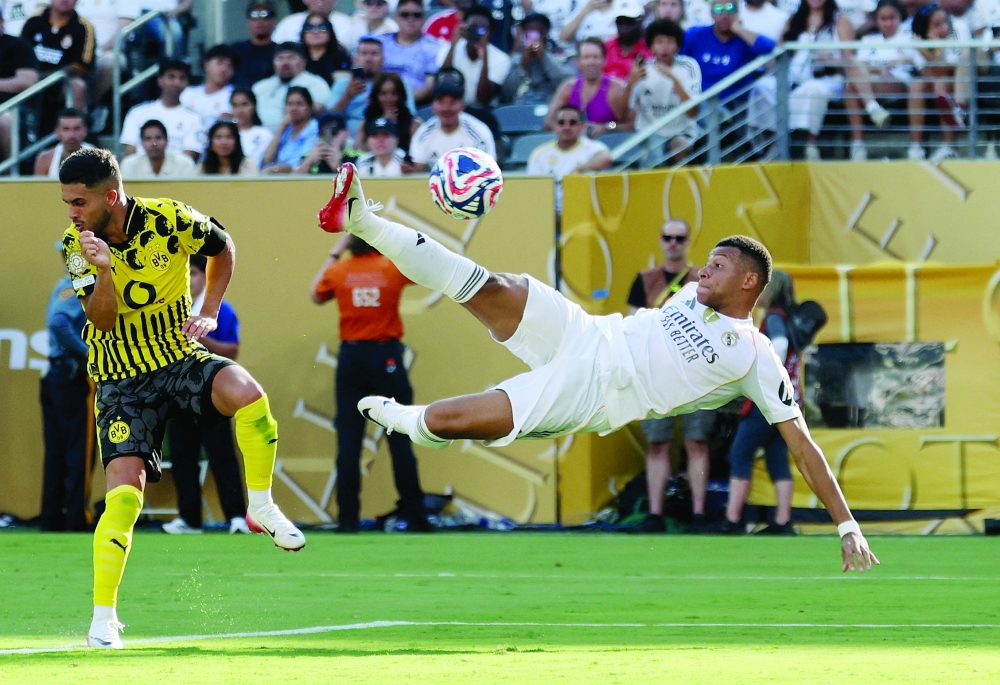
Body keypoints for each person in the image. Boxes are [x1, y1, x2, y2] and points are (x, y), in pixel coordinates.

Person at [319, 164, 880, 573]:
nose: (703, 271)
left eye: (719, 265)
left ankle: (420, 426)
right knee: (491, 284)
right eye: (706, 262)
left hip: (599, 392)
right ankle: (363, 219)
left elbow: (803, 446)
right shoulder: (688, 295)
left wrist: (846, 523)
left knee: (449, 417)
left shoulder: (755, 355)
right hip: (588, 331)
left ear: (750, 283)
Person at [60, 148, 305, 649]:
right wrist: (103, 269)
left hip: (177, 356)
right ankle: (103, 619)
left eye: (79, 202)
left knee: (249, 394)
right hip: (121, 377)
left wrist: (209, 309)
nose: (72, 213)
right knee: (125, 497)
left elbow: (223, 247)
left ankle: (261, 507)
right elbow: (102, 321)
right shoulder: (73, 244)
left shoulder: (170, 218)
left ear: (111, 195)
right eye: (66, 203)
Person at [311, 234, 430, 533]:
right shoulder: (390, 266)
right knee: (401, 435)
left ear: (351, 243)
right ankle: (415, 516)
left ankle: (348, 521)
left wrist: (335, 251)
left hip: (352, 358)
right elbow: (423, 269)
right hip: (386, 357)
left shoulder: (338, 271)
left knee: (349, 442)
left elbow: (315, 294)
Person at [624, 219, 715, 533]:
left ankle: (700, 514)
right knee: (658, 444)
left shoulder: (702, 279)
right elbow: (632, 326)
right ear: (661, 241)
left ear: (688, 241)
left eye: (679, 238)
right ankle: (655, 513)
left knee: (697, 442)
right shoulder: (644, 280)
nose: (673, 243)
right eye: (668, 237)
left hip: (696, 372)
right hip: (656, 372)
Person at [161, 255, 251, 536]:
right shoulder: (167, 309)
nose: (190, 279)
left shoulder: (220, 311)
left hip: (212, 394)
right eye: (185, 274)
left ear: (207, 277)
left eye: (196, 273)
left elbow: (232, 350)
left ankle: (237, 517)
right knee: (181, 455)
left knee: (222, 455)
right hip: (178, 394)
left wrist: (201, 337)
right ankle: (190, 519)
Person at [722, 270, 800, 536]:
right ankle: (783, 521)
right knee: (777, 457)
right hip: (785, 403)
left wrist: (765, 370)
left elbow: (779, 345)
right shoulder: (788, 318)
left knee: (740, 454)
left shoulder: (774, 319)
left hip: (765, 401)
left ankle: (733, 520)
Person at [39, 244, 92, 532]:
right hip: (72, 377)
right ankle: (75, 517)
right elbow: (59, 323)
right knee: (78, 450)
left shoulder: (63, 286)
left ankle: (51, 516)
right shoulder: (78, 286)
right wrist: (87, 353)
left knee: (57, 450)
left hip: (54, 375)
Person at [624, 18, 701, 158]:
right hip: (650, 131)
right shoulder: (641, 69)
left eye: (670, 41)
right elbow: (622, 114)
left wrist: (674, 80)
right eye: (659, 42)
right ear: (651, 47)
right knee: (655, 156)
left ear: (678, 46)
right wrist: (630, 83)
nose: (665, 47)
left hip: (682, 130)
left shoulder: (689, 66)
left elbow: (693, 112)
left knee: (679, 146)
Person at [679, 2, 776, 103]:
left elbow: (768, 47)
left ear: (738, 13)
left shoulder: (745, 39)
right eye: (718, 10)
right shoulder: (696, 35)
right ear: (712, 14)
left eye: (730, 9)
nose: (725, 15)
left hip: (734, 105)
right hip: (699, 101)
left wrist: (738, 29)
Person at [526, 103, 612, 210]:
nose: (567, 127)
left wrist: (580, 168)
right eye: (561, 123)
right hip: (548, 212)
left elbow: (606, 158)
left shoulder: (591, 147)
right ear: (554, 126)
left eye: (573, 123)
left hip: (582, 209)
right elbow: (533, 188)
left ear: (581, 127)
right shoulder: (539, 154)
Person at [408, 69, 496, 171]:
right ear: (433, 106)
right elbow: (416, 171)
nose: (446, 108)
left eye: (452, 102)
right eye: (441, 102)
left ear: (462, 106)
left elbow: (487, 171)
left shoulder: (478, 131)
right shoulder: (424, 133)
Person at [327, 37, 416, 136]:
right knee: (326, 131)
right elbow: (330, 117)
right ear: (355, 59)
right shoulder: (342, 84)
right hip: (346, 138)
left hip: (385, 133)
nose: (369, 59)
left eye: (374, 54)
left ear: (383, 59)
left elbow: (410, 115)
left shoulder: (396, 83)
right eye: (364, 54)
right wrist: (347, 95)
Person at [20, 0, 95, 117]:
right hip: (32, 79)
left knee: (77, 85)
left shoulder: (85, 28)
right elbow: (20, 54)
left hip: (61, 82)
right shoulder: (33, 21)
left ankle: (73, 130)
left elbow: (80, 67)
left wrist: (46, 77)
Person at [545, 37, 629, 138]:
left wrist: (608, 127)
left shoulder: (616, 88)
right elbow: (549, 122)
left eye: (595, 57)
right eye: (586, 57)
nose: (591, 62)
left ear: (604, 60)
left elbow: (632, 124)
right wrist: (569, 129)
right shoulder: (567, 88)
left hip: (608, 146)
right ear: (578, 61)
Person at [908, 2, 961, 161]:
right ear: (926, 29)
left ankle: (951, 147)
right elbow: (926, 73)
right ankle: (916, 147)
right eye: (937, 25)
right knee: (917, 86)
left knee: (940, 83)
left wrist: (930, 49)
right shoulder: (917, 39)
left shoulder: (958, 30)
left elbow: (946, 69)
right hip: (933, 82)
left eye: (945, 21)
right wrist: (930, 49)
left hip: (959, 83)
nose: (944, 27)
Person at [120, 59, 203, 159]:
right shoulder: (137, 113)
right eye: (171, 77)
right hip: (140, 173)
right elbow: (130, 154)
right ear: (160, 80)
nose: (176, 83)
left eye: (182, 78)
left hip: (178, 173)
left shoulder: (195, 118)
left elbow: (189, 159)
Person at [436, 4, 512, 107]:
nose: (476, 33)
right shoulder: (448, 49)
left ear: (490, 33)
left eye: (481, 30)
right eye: (472, 28)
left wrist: (484, 57)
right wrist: (453, 45)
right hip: (451, 108)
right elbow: (442, 84)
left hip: (482, 112)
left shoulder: (502, 59)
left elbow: (483, 100)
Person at [253, 42, 332, 131]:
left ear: (304, 62)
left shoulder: (315, 83)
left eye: (291, 58)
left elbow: (322, 110)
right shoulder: (260, 86)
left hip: (297, 135)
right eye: (280, 58)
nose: (285, 63)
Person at [500, 13, 574, 106]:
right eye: (528, 32)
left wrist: (544, 57)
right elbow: (506, 93)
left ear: (545, 32)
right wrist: (523, 65)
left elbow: (568, 83)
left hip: (552, 105)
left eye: (536, 33)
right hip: (522, 107)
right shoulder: (517, 58)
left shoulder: (562, 54)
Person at [75, 0, 139, 105]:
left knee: (111, 62)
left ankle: (91, 105)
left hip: (107, 51)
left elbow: (124, 30)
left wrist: (100, 50)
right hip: (75, 49)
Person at [379, 0, 441, 105]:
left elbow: (429, 87)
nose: (411, 19)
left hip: (414, 105)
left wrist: (398, 102)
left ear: (424, 18)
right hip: (376, 102)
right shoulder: (380, 42)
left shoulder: (433, 47)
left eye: (417, 15)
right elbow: (361, 70)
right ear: (395, 17)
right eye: (405, 15)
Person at [0, 12, 38, 166]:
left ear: (2, 21)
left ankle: (9, 172)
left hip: (11, 106)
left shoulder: (17, 45)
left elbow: (28, 80)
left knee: (3, 120)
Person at [355, 72, 419, 155]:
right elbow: (357, 150)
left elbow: (417, 154)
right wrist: (383, 125)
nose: (389, 99)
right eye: (383, 94)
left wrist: (392, 128)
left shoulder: (413, 124)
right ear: (376, 96)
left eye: (394, 93)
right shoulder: (366, 122)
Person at [180, 44, 240, 131]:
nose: (224, 69)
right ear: (206, 64)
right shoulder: (188, 93)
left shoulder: (235, 96)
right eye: (220, 63)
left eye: (229, 66)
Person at [261, 85, 319, 173]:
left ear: (309, 108)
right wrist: (281, 127)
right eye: (290, 104)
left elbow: (298, 164)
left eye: (299, 104)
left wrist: (274, 169)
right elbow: (266, 160)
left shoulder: (315, 129)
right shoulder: (286, 131)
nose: (294, 109)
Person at [119, 118, 197, 179]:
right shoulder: (129, 165)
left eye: (158, 138)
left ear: (167, 141)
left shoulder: (184, 164)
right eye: (148, 139)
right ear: (142, 143)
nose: (154, 144)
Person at [231, 0, 279, 90]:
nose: (259, 21)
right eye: (254, 15)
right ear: (247, 21)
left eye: (266, 15)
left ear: (274, 21)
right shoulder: (235, 51)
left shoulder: (280, 53)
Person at [34, 108, 93, 178]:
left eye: (77, 129)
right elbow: (39, 188)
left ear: (85, 131)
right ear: (57, 132)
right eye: (66, 129)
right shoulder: (45, 159)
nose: (72, 135)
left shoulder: (98, 158)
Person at [603, 0, 653, 81]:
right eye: (620, 22)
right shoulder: (605, 48)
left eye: (629, 22)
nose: (624, 27)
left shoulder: (650, 48)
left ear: (640, 22)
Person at [301, 10, 351, 85]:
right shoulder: (298, 56)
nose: (315, 32)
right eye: (309, 27)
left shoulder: (340, 57)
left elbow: (344, 86)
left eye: (322, 27)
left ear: (329, 31)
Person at [231, 87, 274, 167]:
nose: (240, 110)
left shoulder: (264, 134)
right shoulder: (227, 135)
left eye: (244, 104)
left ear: (254, 106)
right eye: (235, 105)